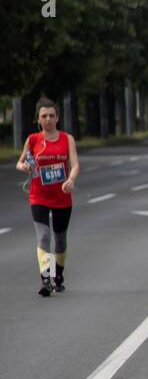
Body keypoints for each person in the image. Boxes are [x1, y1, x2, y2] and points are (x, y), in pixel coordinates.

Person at [17, 98, 79, 296]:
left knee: (60, 240)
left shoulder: (67, 139)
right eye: (44, 116)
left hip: (62, 196)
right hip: (39, 196)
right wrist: (24, 166)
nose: (48, 119)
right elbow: (20, 162)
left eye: (52, 115)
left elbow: (75, 164)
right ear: (39, 119)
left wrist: (70, 179)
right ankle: (47, 280)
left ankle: (58, 274)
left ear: (57, 118)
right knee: (43, 237)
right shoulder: (33, 140)